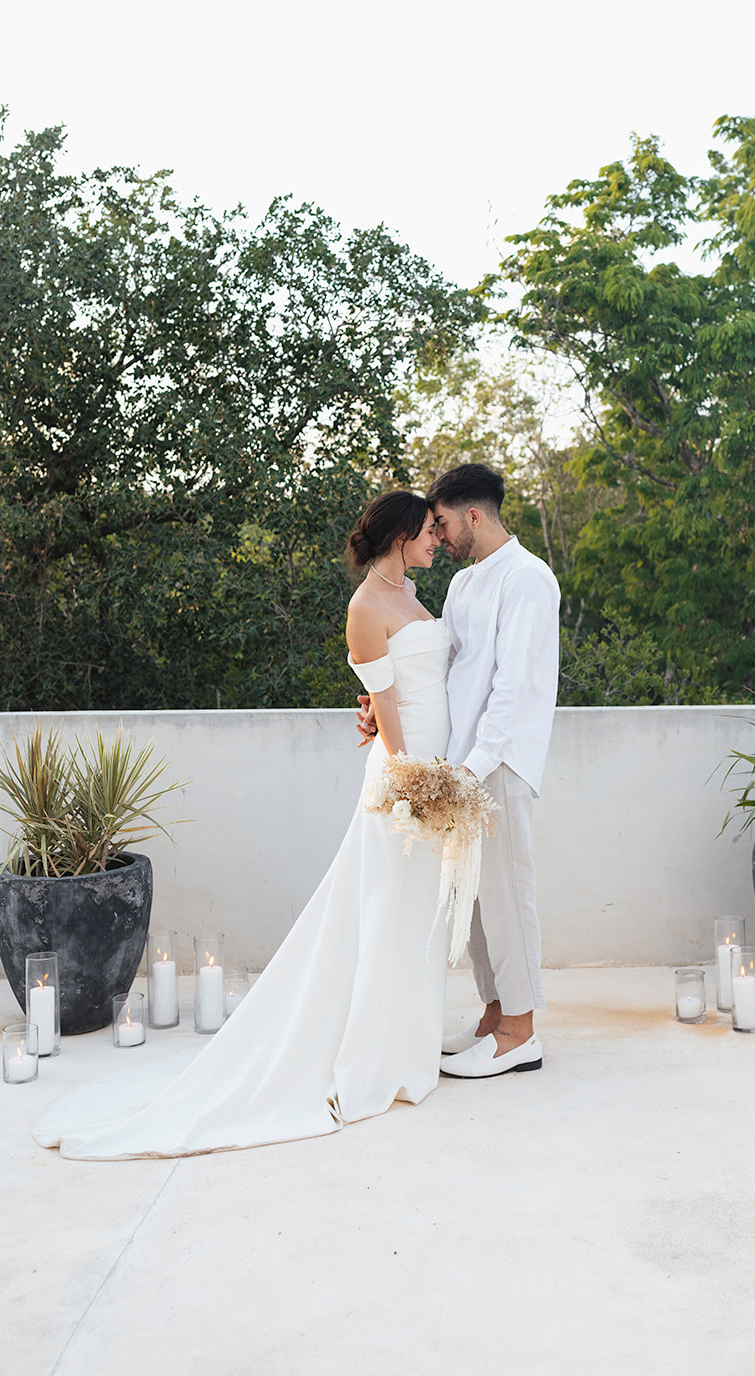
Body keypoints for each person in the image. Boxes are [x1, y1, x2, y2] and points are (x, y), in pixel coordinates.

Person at [33, 491, 454, 1159]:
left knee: (410, 908)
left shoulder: (410, 595)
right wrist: (409, 778)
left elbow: (411, 682)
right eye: (429, 531)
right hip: (408, 775)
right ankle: (372, 1052)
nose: (438, 539)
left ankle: (402, 1039)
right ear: (400, 534)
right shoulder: (366, 605)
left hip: (438, 760)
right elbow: (386, 701)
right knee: (383, 903)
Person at [358, 462, 561, 1079]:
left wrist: (469, 771)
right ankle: (493, 1014)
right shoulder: (465, 584)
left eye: (442, 522)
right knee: (469, 896)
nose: (437, 535)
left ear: (473, 515)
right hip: (457, 759)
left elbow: (512, 687)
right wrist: (375, 708)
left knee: (505, 893)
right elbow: (438, 672)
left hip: (494, 762)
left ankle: (521, 1033)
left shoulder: (527, 579)